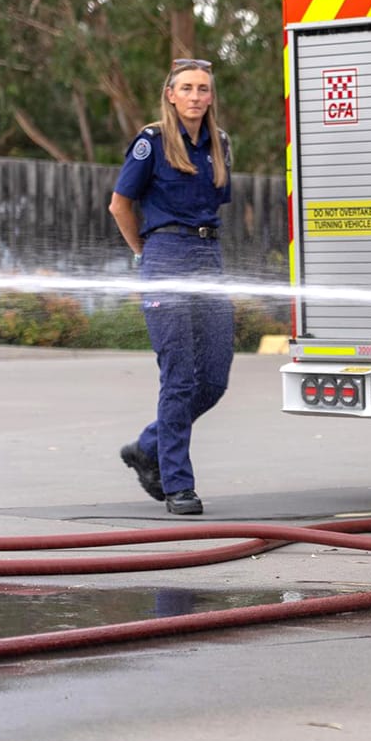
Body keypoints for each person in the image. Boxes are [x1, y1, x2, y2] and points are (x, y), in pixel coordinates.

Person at [108, 58, 234, 516]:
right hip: (165, 256)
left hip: (208, 259)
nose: (197, 96)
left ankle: (148, 445)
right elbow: (119, 205)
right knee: (180, 376)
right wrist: (145, 251)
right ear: (171, 94)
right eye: (187, 88)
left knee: (214, 379)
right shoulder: (151, 143)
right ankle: (178, 483)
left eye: (203, 88)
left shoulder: (218, 144)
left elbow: (216, 203)